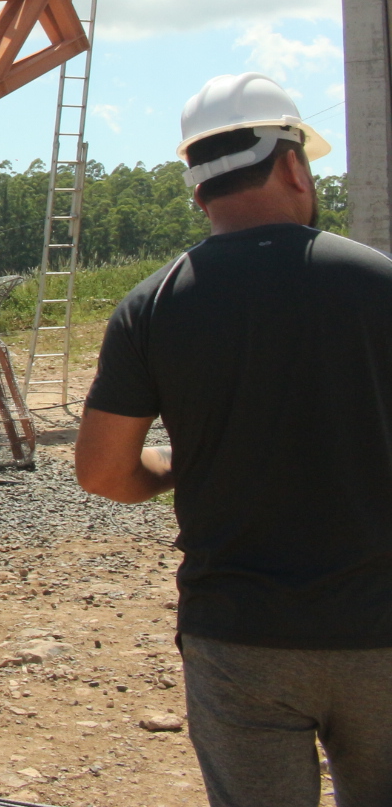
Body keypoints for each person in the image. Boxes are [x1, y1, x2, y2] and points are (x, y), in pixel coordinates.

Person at [76, 72, 392, 806]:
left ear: (197, 190)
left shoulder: (151, 305)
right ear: (291, 164)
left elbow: (102, 472)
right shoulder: (380, 283)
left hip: (238, 637)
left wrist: (173, 466)